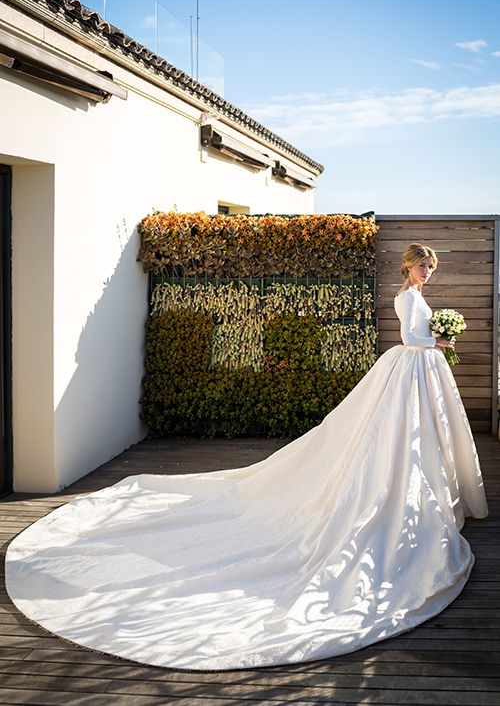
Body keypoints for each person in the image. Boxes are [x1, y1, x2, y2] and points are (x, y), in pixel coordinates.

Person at [5, 242, 488, 671]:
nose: (428, 273)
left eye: (431, 268)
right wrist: (440, 341)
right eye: (424, 266)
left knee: (426, 436)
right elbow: (408, 339)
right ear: (409, 269)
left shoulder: (419, 296)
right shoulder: (406, 297)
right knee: (393, 438)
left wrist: (438, 341)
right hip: (410, 365)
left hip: (422, 373)